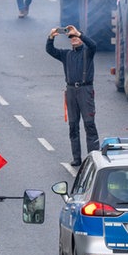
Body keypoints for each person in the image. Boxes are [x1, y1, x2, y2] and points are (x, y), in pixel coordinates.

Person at [46, 24, 98, 166]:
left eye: (75, 37)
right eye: (71, 37)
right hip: (71, 92)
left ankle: (93, 158)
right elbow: (49, 50)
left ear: (81, 38)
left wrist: (79, 33)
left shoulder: (88, 52)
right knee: (73, 126)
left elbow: (93, 45)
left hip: (85, 91)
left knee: (89, 124)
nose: (73, 39)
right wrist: (51, 37)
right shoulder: (66, 54)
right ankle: (76, 158)